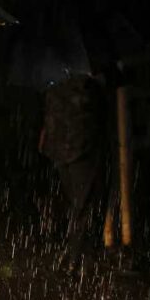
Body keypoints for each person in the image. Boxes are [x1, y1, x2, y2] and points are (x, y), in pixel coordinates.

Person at [38, 74, 108, 275]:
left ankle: (74, 255)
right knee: (83, 201)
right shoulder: (84, 72)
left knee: (76, 200)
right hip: (79, 139)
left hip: (60, 138)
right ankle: (77, 257)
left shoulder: (53, 67)